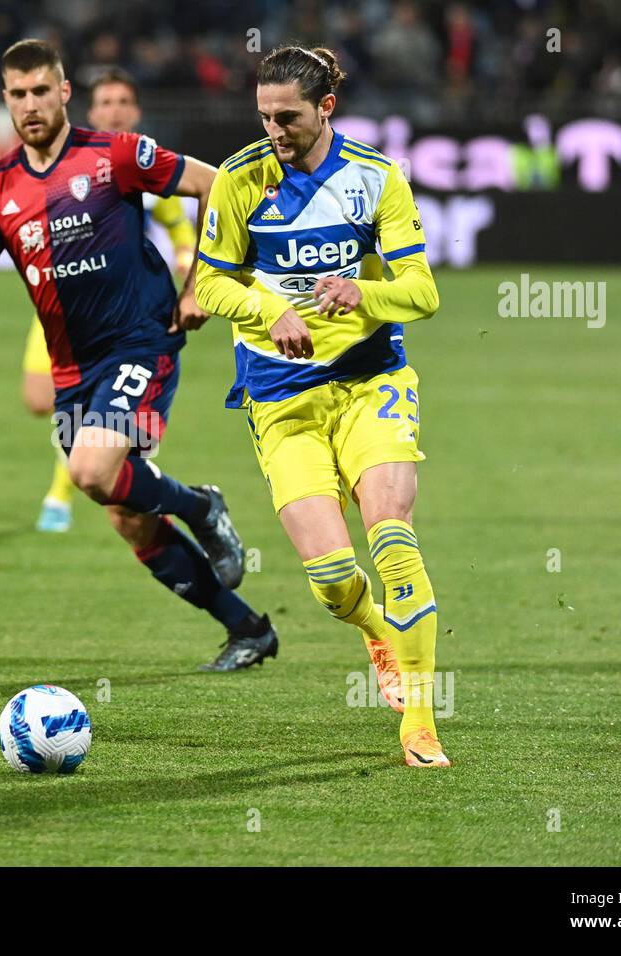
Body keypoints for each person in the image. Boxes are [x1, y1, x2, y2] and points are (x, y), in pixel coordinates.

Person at [0, 39, 279, 672]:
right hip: (73, 366)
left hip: (141, 340)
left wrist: (199, 287)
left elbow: (218, 185)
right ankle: (247, 628)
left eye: (41, 91)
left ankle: (201, 506)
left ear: (65, 92)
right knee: (128, 518)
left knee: (91, 473)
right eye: (17, 94)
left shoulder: (115, 155)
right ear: (5, 100)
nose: (30, 105)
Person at [195, 46, 449, 765]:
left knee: (392, 536)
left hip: (372, 381)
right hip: (280, 393)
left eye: (288, 117)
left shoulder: (377, 179)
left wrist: (363, 292)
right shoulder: (242, 180)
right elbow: (210, 285)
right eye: (264, 116)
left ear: (326, 108)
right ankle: (374, 630)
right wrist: (266, 309)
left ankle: (421, 722)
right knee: (335, 582)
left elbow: (423, 294)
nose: (273, 130)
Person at [21, 66, 198, 534]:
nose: (115, 111)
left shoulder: (140, 164)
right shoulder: (60, 163)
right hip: (60, 316)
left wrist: (188, 269)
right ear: (91, 111)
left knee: (105, 448)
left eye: (124, 102)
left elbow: (181, 224)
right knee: (38, 400)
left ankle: (62, 495)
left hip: (123, 324)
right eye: (106, 103)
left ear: (136, 111)